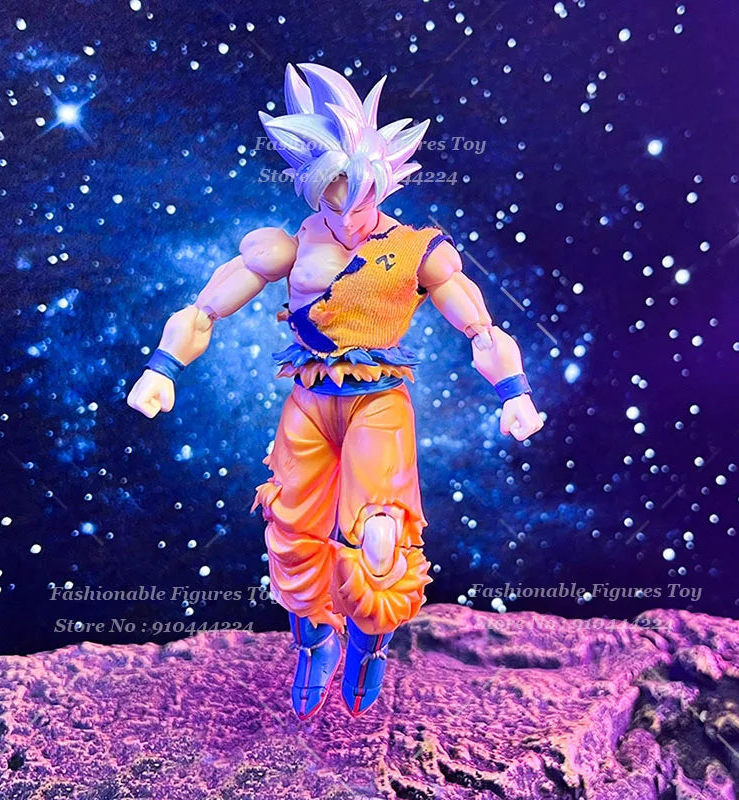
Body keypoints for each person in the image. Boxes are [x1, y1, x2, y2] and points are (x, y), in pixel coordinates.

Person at [127, 63, 544, 720]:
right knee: (292, 531)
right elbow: (206, 308)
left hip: (379, 402)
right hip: (309, 400)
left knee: (379, 534)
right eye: (334, 198)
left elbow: (480, 326)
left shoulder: (418, 250)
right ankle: (314, 642)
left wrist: (514, 392)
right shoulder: (287, 246)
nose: (350, 214)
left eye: (363, 198)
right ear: (312, 188)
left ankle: (368, 645)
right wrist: (162, 368)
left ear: (385, 181)